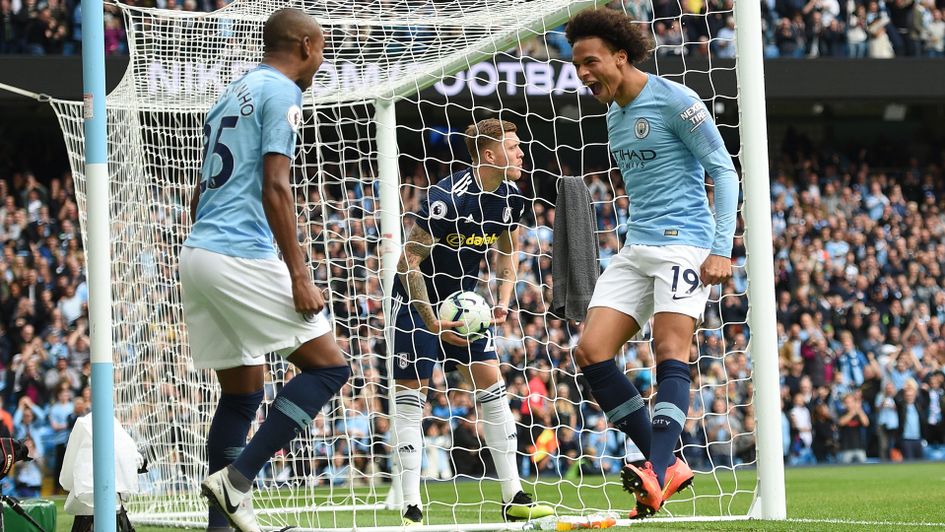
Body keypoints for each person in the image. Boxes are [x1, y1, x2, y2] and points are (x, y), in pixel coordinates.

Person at [179, 9, 350, 532]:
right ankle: (237, 480)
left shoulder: (235, 90)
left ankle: (219, 527)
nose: (321, 60)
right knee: (329, 368)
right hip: (238, 253)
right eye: (321, 49)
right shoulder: (282, 93)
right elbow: (277, 186)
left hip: (199, 252)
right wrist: (299, 275)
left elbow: (196, 194)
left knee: (243, 392)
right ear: (304, 45)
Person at [566, 8, 738, 518]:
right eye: (577, 66)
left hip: (686, 245)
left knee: (669, 349)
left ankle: (657, 468)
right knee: (591, 351)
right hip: (637, 246)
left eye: (591, 62)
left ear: (621, 56)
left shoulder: (677, 101)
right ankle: (668, 462)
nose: (583, 74)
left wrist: (721, 248)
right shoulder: (613, 114)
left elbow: (723, 173)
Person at [391, 118, 553, 525]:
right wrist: (430, 320)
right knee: (414, 394)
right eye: (513, 147)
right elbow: (407, 262)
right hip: (417, 300)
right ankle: (410, 503)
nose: (520, 153)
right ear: (489, 154)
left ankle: (513, 494)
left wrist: (500, 300)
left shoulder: (513, 198)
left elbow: (508, 250)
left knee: (492, 383)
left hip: (465, 304)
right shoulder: (447, 197)